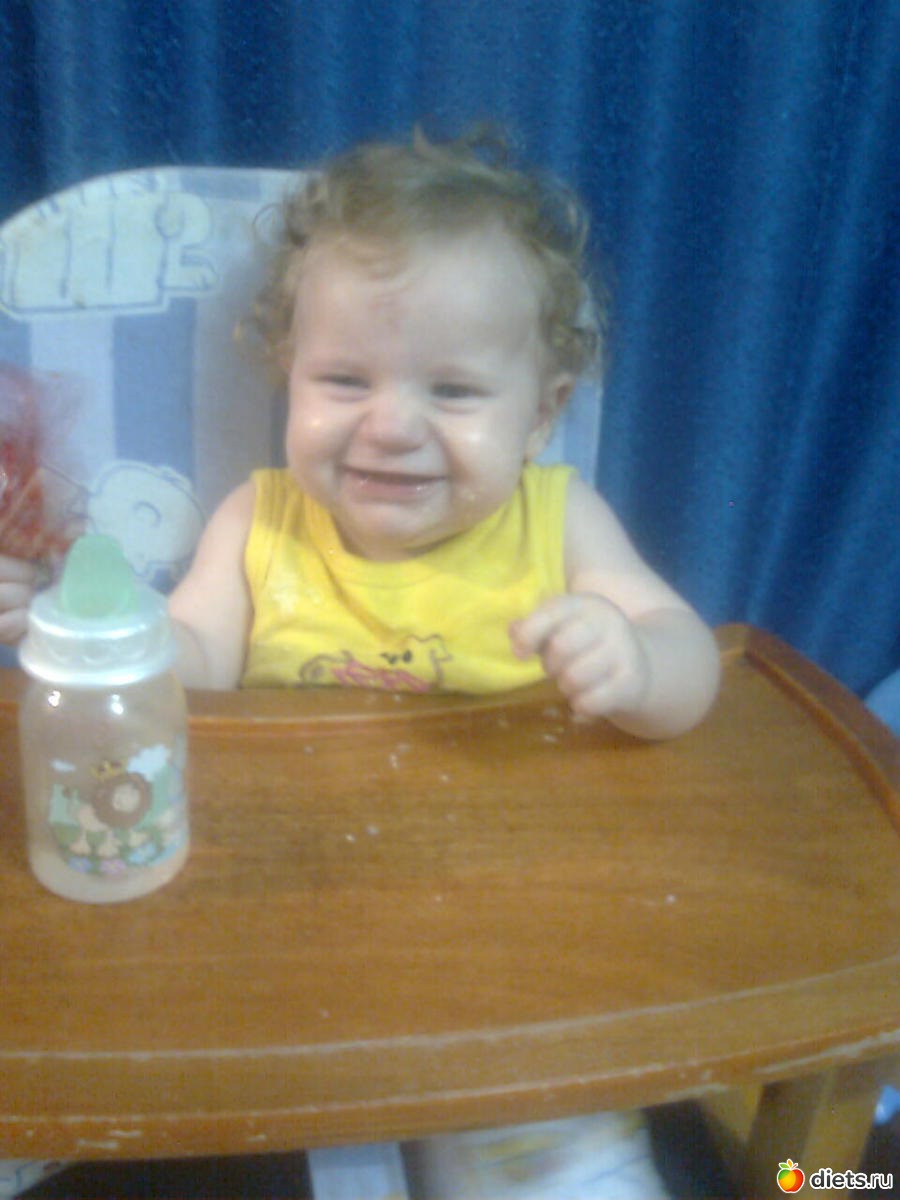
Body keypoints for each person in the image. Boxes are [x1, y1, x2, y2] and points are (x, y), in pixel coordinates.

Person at [0, 130, 719, 1197]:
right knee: (226, 1108)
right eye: (343, 379)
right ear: (289, 378)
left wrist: (639, 661)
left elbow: (695, 665)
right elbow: (190, 660)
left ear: (543, 414)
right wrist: (92, 628)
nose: (390, 427)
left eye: (454, 391)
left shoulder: (562, 524)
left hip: (506, 928)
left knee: (551, 1144)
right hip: (291, 912)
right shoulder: (259, 523)